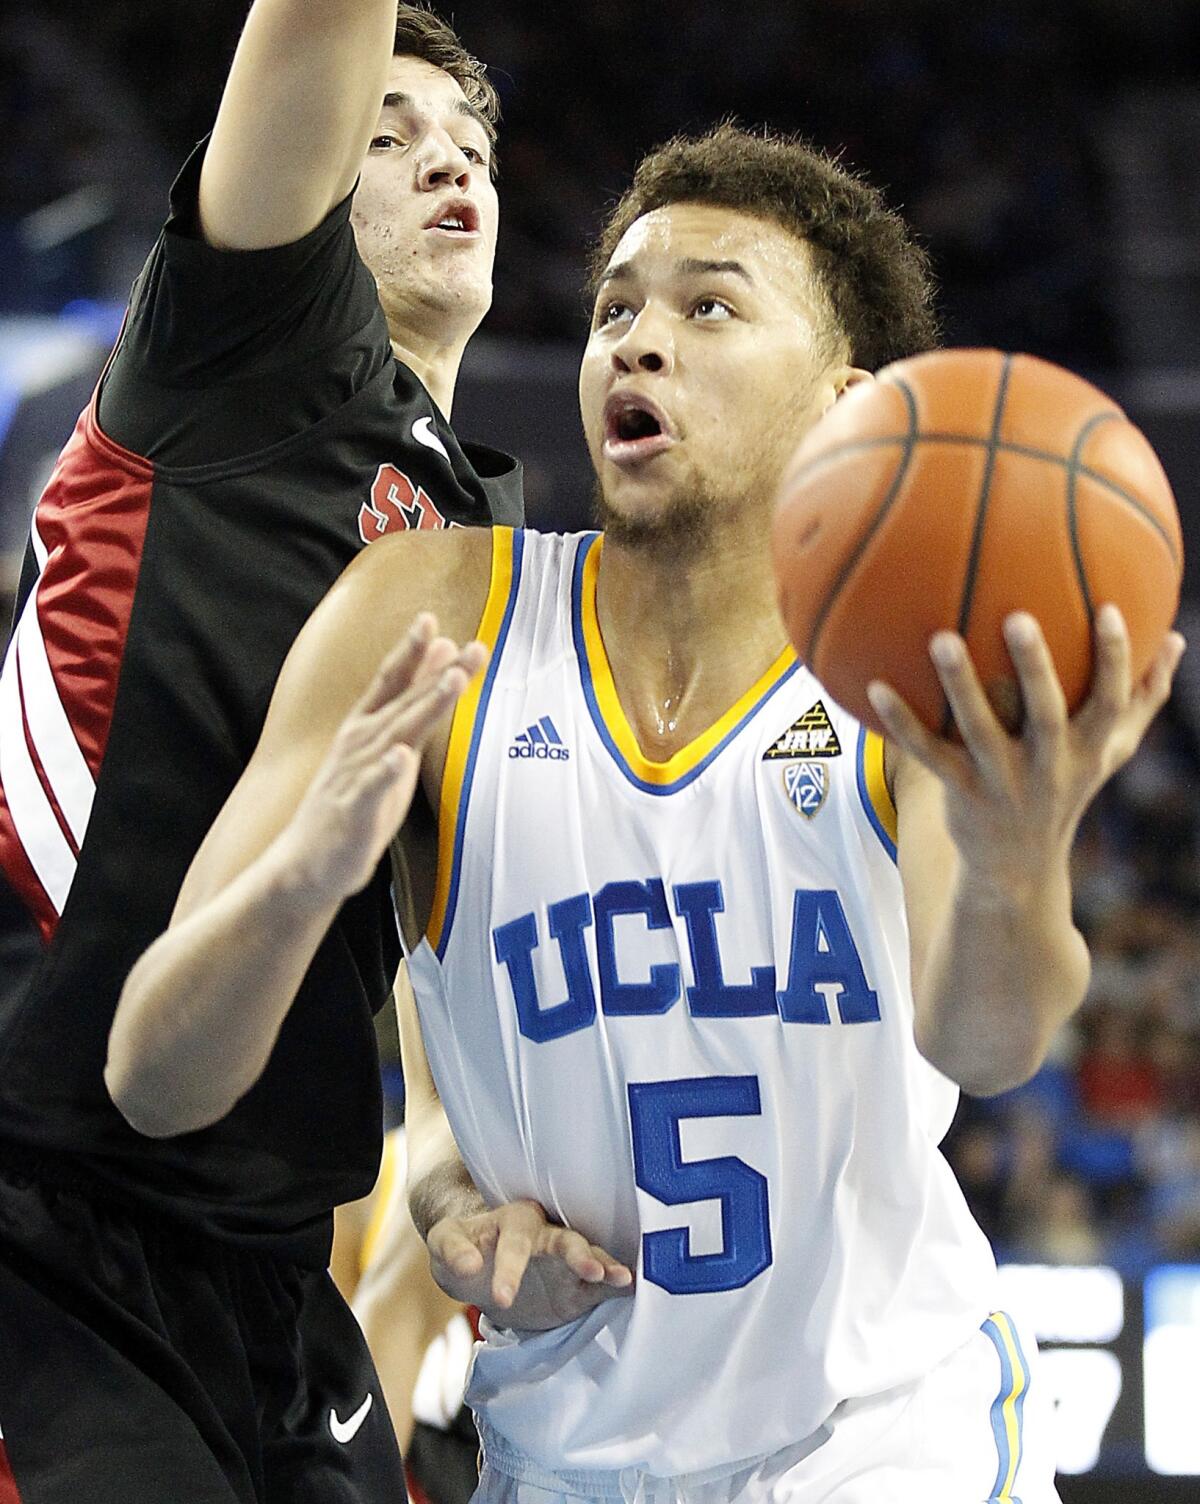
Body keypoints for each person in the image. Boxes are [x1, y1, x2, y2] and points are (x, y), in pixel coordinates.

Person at [110, 123, 1185, 1500]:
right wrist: (305, 884)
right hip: (565, 1461)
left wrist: (1011, 857)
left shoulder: (901, 668)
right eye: (615, 306)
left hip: (888, 1443)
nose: (636, 339)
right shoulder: (431, 611)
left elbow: (989, 1041)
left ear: (848, 399)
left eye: (710, 305)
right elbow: (158, 1075)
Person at [0, 4, 535, 1500]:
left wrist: (440, 1159)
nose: (450, 165)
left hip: (265, 1256)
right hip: (47, 1206)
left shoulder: (477, 539)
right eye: (391, 132)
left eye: (474, 146)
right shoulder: (243, 340)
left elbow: (429, 924)